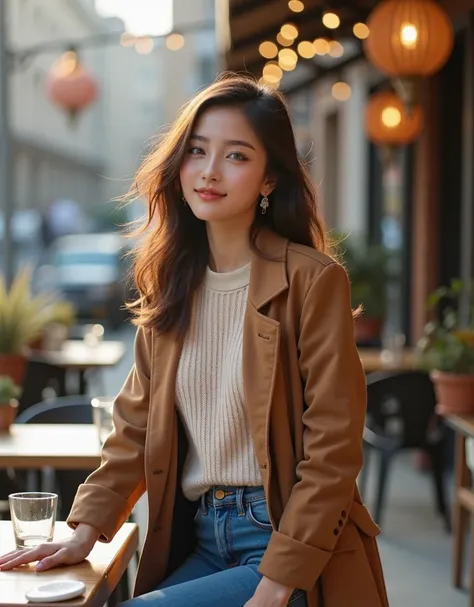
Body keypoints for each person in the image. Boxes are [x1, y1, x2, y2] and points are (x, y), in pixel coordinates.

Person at [0, 74, 388, 607]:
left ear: (269, 178)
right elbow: (134, 429)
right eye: (197, 151)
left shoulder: (312, 281)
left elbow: (334, 452)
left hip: (285, 539)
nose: (208, 171)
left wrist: (279, 582)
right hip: (201, 534)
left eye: (236, 156)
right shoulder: (172, 285)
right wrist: (85, 526)